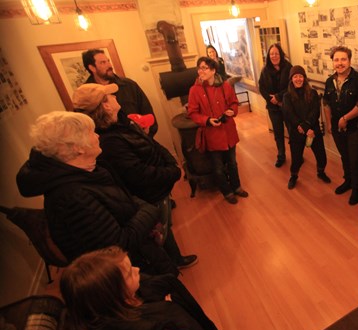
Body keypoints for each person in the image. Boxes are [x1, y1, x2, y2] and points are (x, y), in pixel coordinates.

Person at [16, 111, 178, 276]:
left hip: (143, 257)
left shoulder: (89, 170)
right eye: (91, 132)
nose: (97, 136)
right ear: (78, 148)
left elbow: (123, 199)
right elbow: (118, 245)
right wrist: (150, 210)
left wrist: (142, 210)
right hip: (131, 274)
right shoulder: (71, 197)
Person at [72, 83, 197, 270]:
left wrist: (170, 162)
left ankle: (176, 259)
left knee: (165, 226)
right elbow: (138, 174)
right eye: (110, 96)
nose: (116, 97)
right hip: (150, 194)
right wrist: (173, 172)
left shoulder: (122, 122)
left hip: (159, 188)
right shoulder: (109, 141)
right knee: (158, 233)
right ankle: (169, 269)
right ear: (105, 105)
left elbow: (149, 143)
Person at [60, 246, 229, 330]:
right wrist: (177, 327)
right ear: (112, 294)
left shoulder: (119, 302)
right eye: (129, 274)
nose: (137, 270)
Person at [187, 56, 248, 205]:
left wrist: (231, 111)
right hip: (212, 133)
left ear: (213, 70)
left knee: (233, 163)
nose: (201, 71)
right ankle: (227, 192)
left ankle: (237, 187)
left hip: (228, 130)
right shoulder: (194, 90)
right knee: (218, 167)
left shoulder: (225, 85)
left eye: (205, 68)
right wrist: (207, 120)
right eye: (199, 68)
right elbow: (193, 113)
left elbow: (234, 103)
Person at [323, 46, 358, 205]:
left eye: (343, 59)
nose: (340, 63)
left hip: (355, 128)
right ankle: (348, 181)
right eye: (336, 60)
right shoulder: (330, 81)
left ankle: (357, 188)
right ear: (333, 62)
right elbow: (326, 103)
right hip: (338, 128)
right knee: (345, 156)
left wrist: (345, 118)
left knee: (355, 159)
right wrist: (329, 123)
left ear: (349, 61)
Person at [82, 48, 159, 138]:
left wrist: (147, 137)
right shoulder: (86, 94)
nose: (109, 65)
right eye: (103, 63)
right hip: (111, 145)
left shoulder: (129, 85)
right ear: (92, 68)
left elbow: (147, 111)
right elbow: (87, 126)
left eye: (108, 61)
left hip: (141, 140)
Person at [282, 65, 331, 189]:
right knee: (297, 158)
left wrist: (307, 126)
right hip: (296, 131)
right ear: (291, 79)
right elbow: (289, 114)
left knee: (321, 156)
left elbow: (315, 111)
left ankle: (321, 172)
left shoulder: (313, 93)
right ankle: (294, 176)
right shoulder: (287, 96)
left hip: (312, 130)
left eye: (300, 76)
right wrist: (301, 126)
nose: (298, 79)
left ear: (304, 78)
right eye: (295, 76)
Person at [258, 43, 293, 168]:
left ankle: (296, 155)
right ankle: (281, 155)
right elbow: (261, 87)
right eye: (271, 54)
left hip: (288, 105)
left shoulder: (288, 67)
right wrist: (271, 99)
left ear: (281, 54)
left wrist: (278, 97)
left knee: (292, 131)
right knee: (278, 133)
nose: (274, 56)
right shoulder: (265, 70)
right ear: (268, 56)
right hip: (273, 108)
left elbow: (291, 85)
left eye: (276, 53)